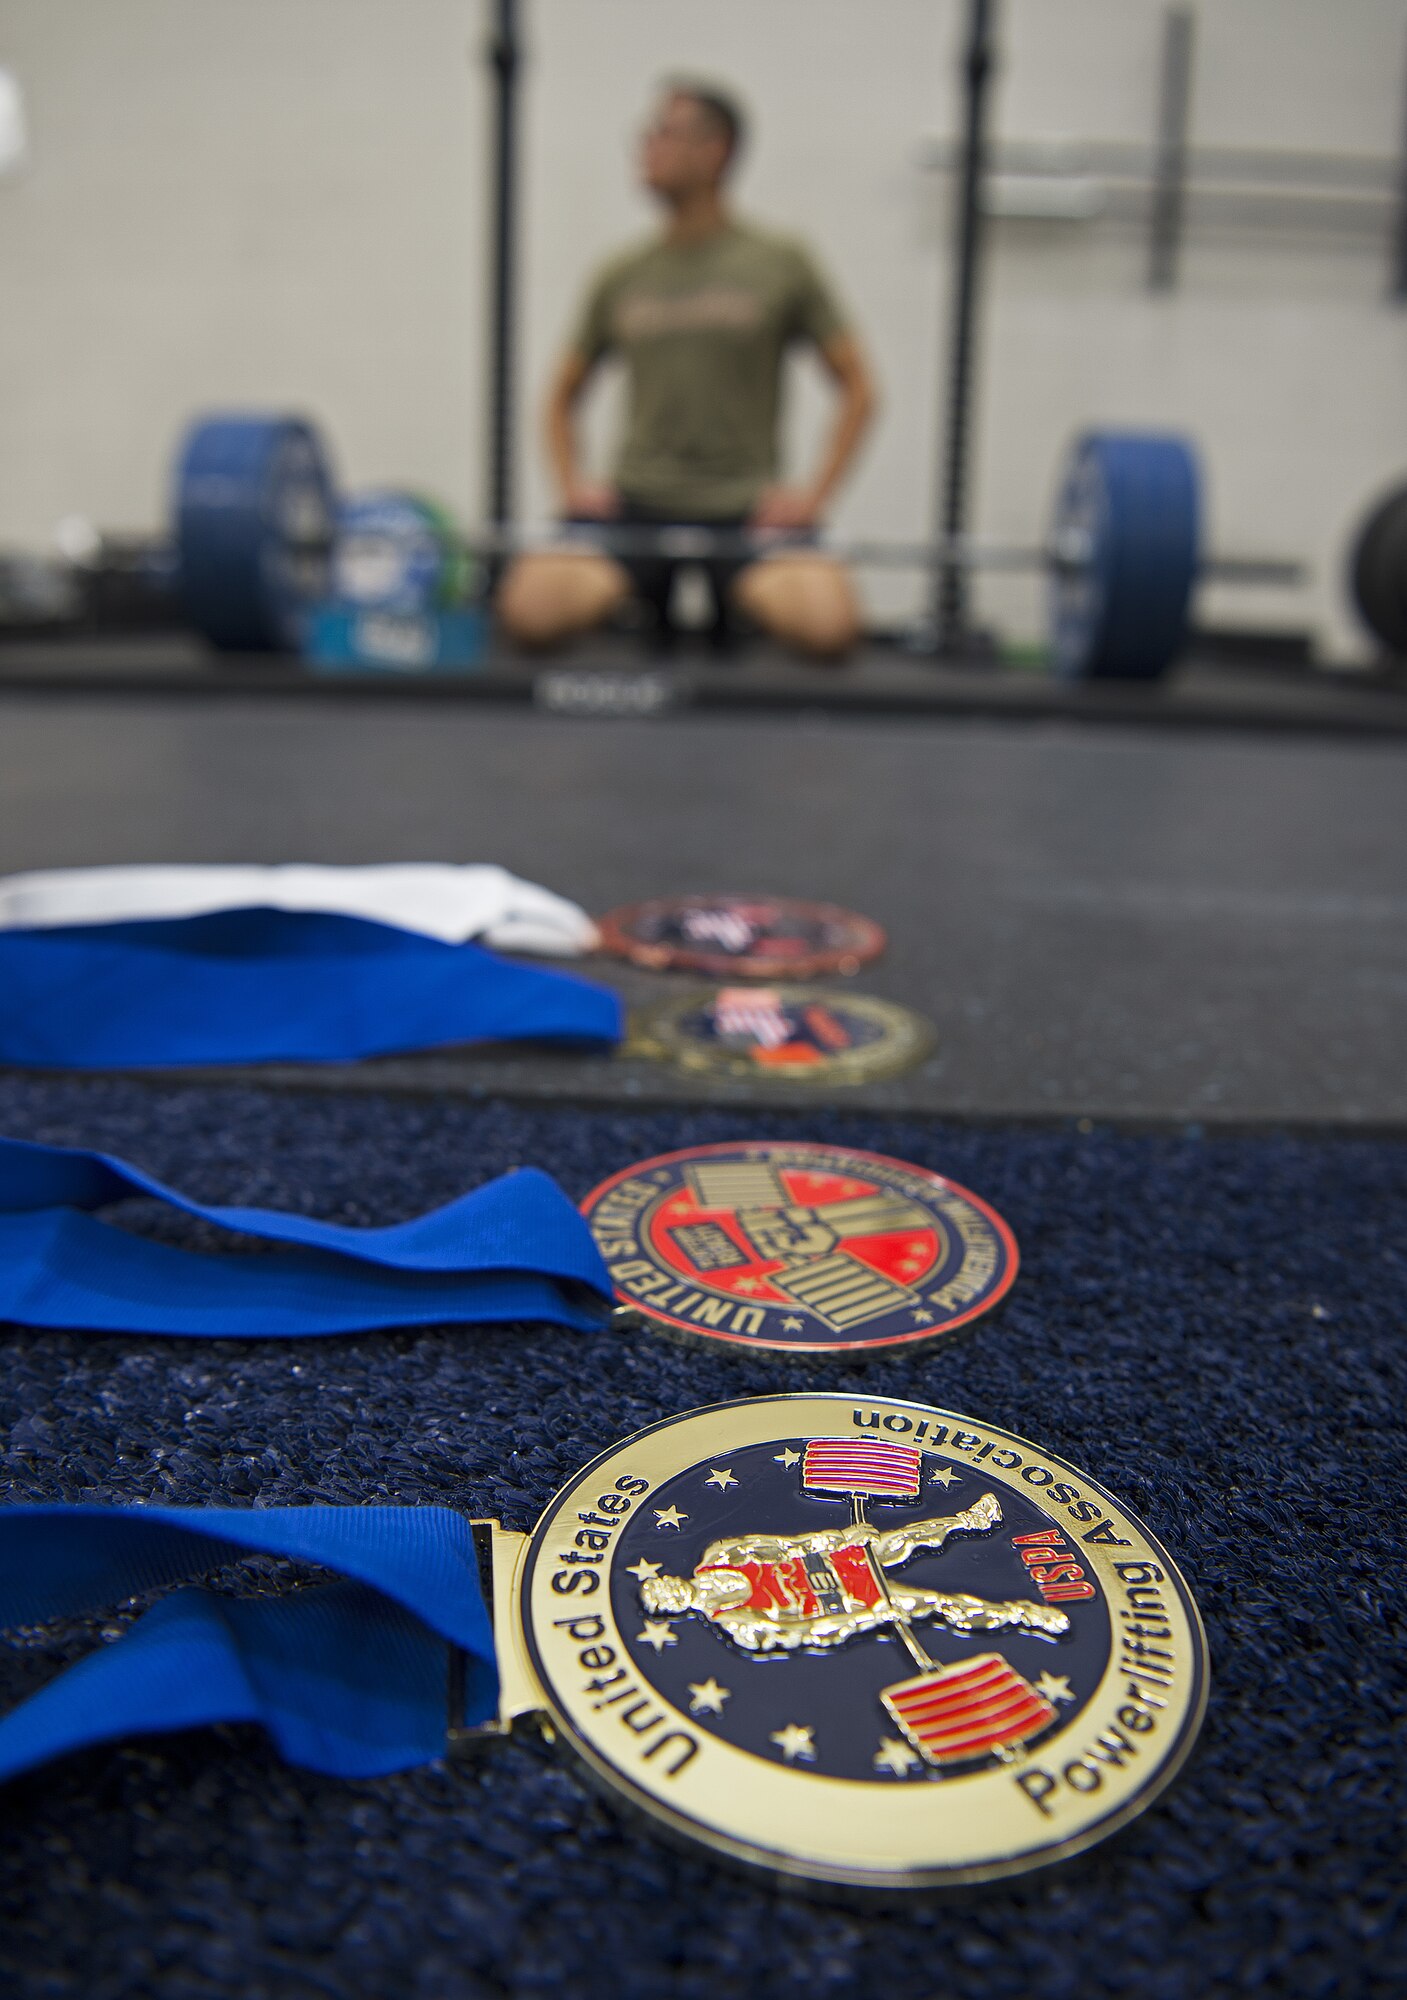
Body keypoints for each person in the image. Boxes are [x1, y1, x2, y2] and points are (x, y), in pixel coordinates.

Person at [497, 81, 877, 658]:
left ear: (716, 151)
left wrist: (812, 497)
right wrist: (574, 486)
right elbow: (560, 394)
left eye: (663, 133)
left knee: (828, 629)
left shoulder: (779, 262)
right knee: (530, 612)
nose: (645, 148)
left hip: (745, 509)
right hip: (637, 504)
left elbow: (858, 387)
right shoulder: (623, 272)